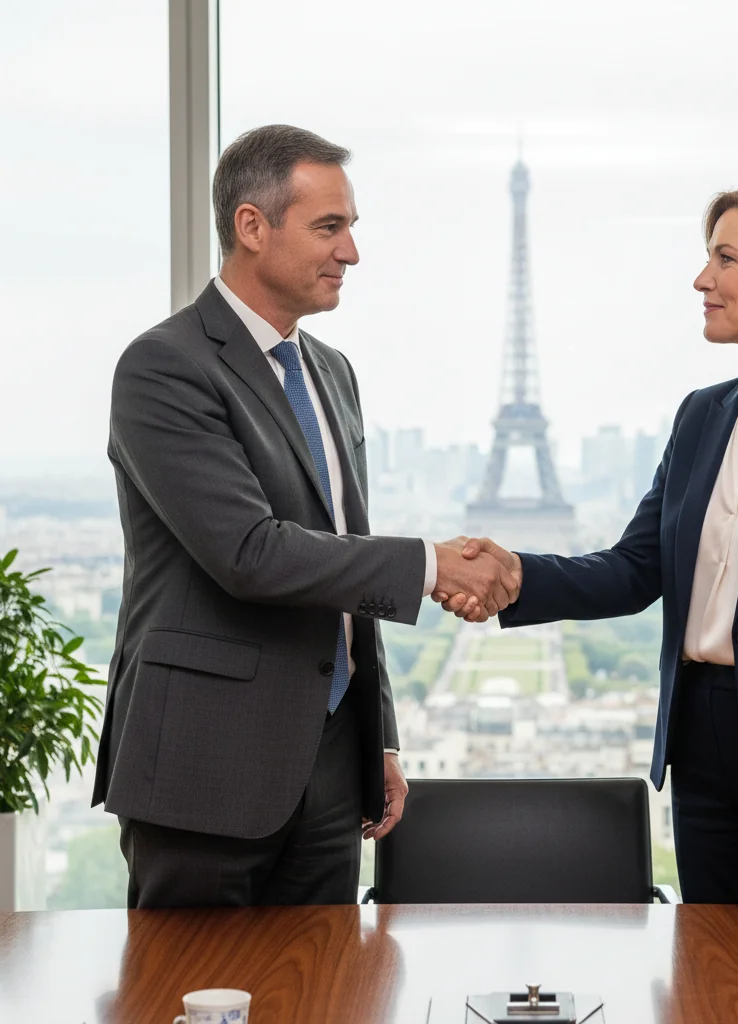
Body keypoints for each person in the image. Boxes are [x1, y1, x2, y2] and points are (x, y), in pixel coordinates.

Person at [439, 181, 738, 910]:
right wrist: (514, 576)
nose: (703, 279)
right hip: (701, 750)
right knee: (712, 981)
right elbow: (636, 569)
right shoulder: (702, 417)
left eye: (725, 259)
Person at [93, 124, 519, 908]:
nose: (351, 252)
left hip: (327, 770)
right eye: (331, 227)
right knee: (190, 996)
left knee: (322, 993)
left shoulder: (330, 371)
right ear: (252, 226)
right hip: (204, 769)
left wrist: (376, 737)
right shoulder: (164, 367)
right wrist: (431, 565)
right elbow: (250, 554)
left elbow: (343, 557)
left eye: (351, 228)